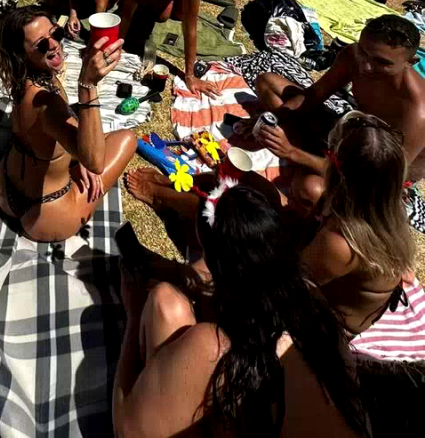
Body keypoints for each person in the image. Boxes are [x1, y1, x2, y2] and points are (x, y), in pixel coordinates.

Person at [114, 181, 368, 438]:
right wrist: (174, 270)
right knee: (167, 303)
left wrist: (134, 314)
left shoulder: (214, 348)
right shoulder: (313, 304)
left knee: (164, 304)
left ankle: (154, 400)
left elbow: (126, 431)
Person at [252, 16, 425, 217]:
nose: (366, 66)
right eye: (363, 51)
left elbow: (373, 177)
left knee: (311, 190)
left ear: (410, 62)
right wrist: (272, 119)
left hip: (379, 172)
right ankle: (310, 152)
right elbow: (314, 95)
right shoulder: (353, 56)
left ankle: (307, 155)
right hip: (351, 135)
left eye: (382, 62)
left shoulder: (417, 110)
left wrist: (292, 152)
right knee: (268, 83)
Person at [0, 7, 137, 241]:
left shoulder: (23, 82)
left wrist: (77, 155)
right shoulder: (47, 102)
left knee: (85, 139)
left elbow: (53, 128)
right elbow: (95, 163)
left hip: (6, 187)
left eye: (56, 34)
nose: (53, 45)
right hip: (48, 214)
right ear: (21, 54)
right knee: (126, 139)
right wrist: (87, 86)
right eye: (41, 44)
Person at [299, 111, 413, 336]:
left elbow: (288, 286)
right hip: (346, 293)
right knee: (305, 188)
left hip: (332, 325)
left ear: (337, 171)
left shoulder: (340, 242)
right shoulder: (385, 206)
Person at [118, 0, 216, 97]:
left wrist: (190, 76)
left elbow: (189, 29)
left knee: (181, 15)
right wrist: (118, 45)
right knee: (161, 16)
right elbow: (126, 13)